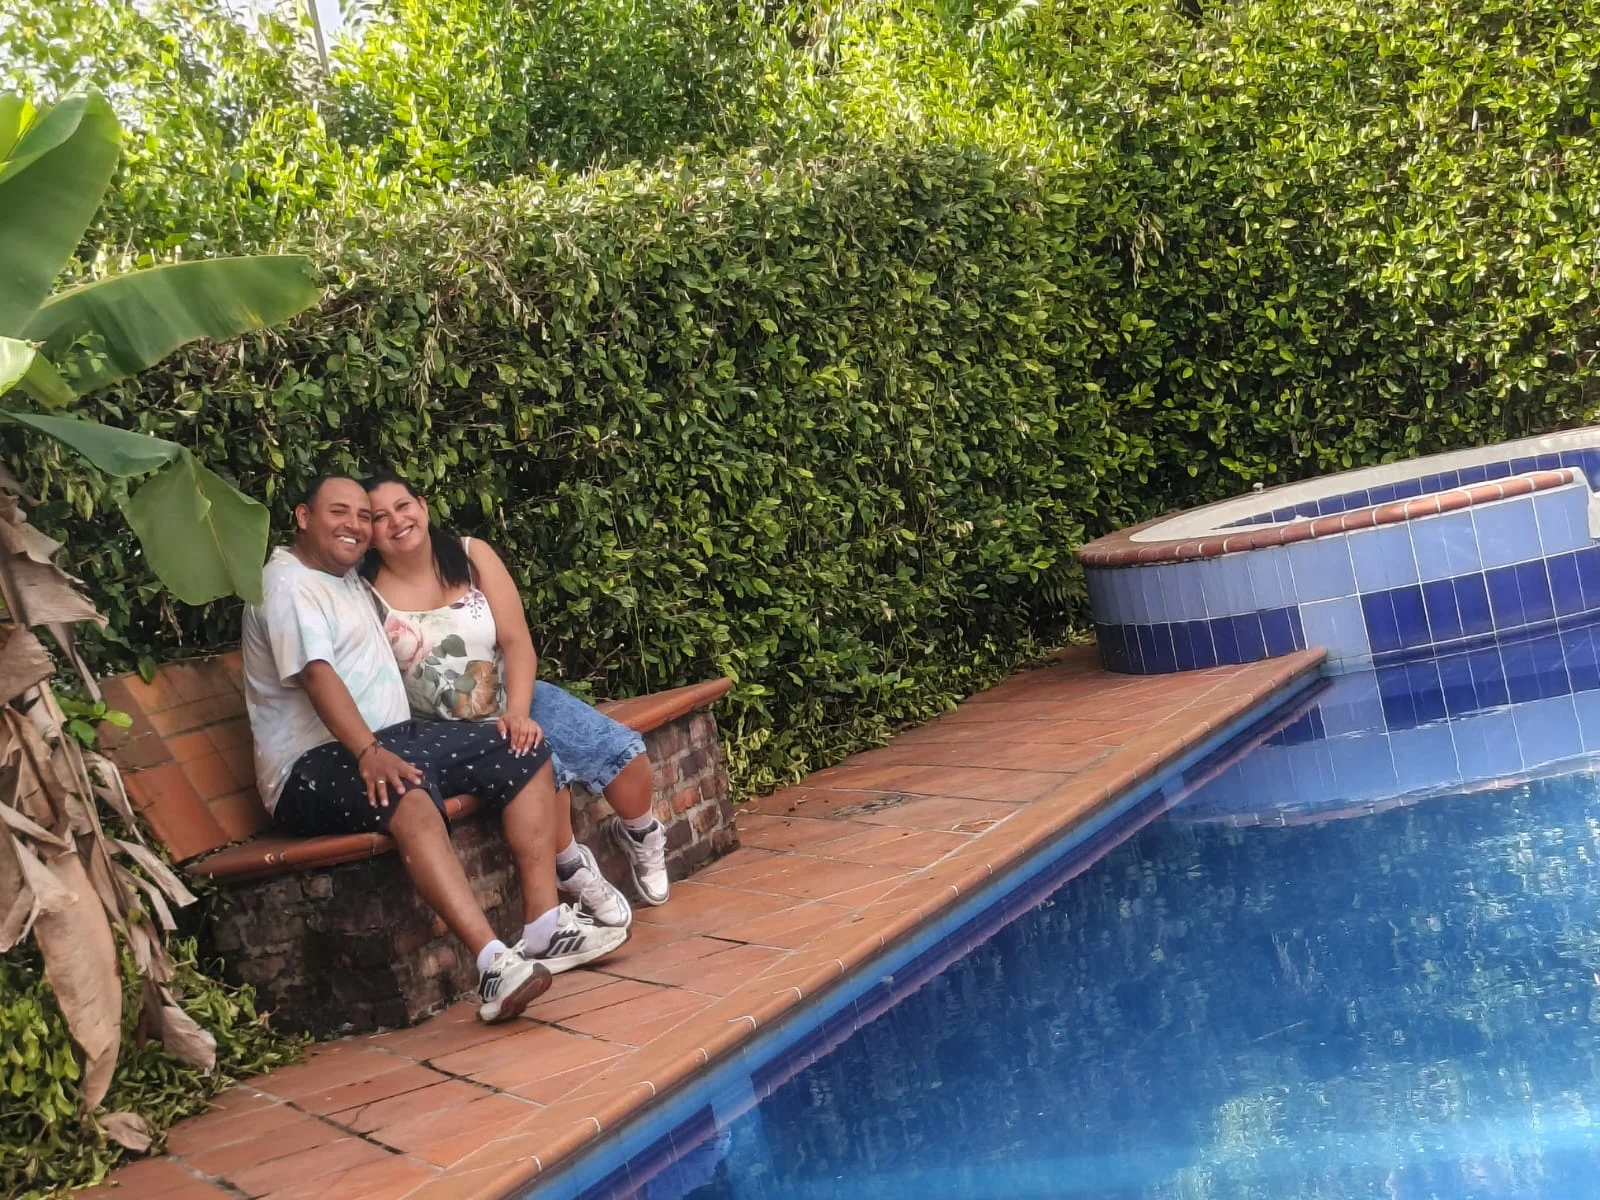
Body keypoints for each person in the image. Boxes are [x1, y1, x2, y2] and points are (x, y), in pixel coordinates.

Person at [240, 474, 626, 1025]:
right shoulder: (288, 584)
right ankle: (493, 964)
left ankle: (544, 926)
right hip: (311, 765)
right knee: (408, 790)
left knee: (519, 748)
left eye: (364, 516)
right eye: (339, 512)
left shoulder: (343, 577)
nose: (355, 525)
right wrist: (368, 751)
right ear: (303, 517)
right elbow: (318, 676)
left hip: (392, 739)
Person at [358, 471, 670, 925]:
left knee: (616, 750)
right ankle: (570, 867)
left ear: (422, 506)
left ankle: (643, 833)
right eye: (379, 517)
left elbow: (516, 640)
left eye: (402, 506)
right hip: (446, 728)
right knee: (543, 768)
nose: (396, 521)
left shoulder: (470, 555)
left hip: (513, 694)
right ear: (368, 532)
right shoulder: (365, 592)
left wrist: (518, 712)